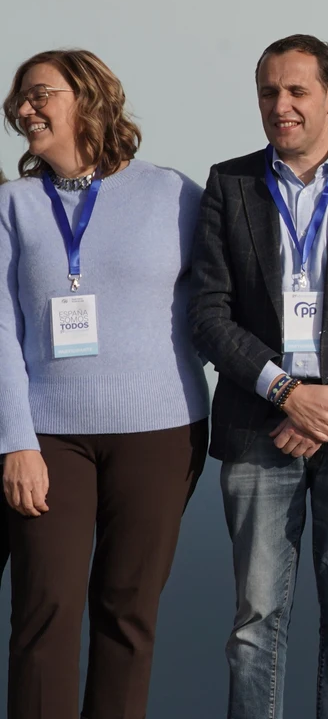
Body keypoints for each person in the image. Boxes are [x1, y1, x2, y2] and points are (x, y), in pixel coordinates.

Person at [189, 34, 328, 719]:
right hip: (260, 425)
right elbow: (207, 313)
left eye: (296, 91)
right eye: (268, 92)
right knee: (255, 621)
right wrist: (287, 391)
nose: (280, 106)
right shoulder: (228, 183)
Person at [0, 49, 210, 718]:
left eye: (38, 94)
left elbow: (217, 304)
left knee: (128, 613)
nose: (23, 108)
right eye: (18, 100)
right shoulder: (13, 204)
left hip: (162, 433)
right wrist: (15, 442)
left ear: (89, 98)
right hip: (48, 436)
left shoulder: (174, 193)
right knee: (44, 608)